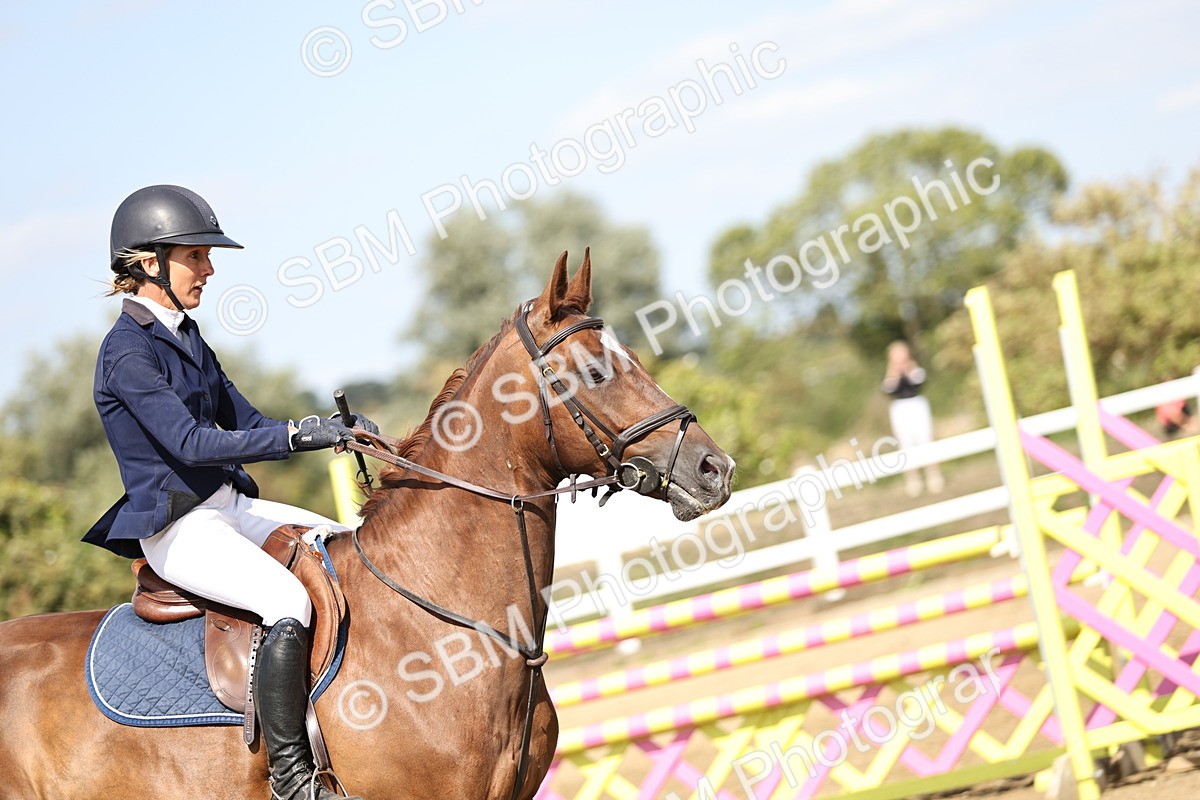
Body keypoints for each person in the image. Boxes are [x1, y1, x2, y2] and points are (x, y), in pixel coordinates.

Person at [85, 185, 376, 800]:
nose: (209, 269)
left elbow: (245, 420)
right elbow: (191, 444)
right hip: (180, 527)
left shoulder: (186, 335)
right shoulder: (127, 353)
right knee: (286, 602)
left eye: (207, 256)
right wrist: (296, 437)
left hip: (228, 506)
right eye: (196, 256)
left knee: (344, 546)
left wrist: (329, 430)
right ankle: (291, 777)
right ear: (149, 262)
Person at [881, 340, 944, 497]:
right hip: (900, 408)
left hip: (917, 405)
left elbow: (919, 382)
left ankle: (933, 475)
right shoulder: (890, 375)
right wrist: (895, 372)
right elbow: (889, 390)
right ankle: (913, 479)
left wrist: (908, 368)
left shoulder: (915, 369)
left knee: (926, 439)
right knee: (905, 443)